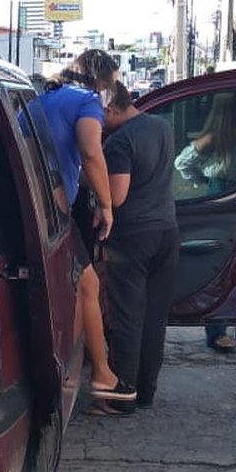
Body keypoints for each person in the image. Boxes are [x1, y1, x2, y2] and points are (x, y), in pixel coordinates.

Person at [39, 49, 135, 403]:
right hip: (53, 208)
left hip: (40, 203)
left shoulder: (46, 97)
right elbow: (91, 152)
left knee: (79, 287)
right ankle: (102, 375)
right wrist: (107, 205)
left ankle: (75, 366)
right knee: (88, 285)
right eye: (111, 85)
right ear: (102, 81)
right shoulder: (85, 102)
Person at [89, 82, 179, 416]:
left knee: (125, 317)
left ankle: (120, 396)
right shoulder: (162, 126)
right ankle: (145, 392)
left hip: (131, 238)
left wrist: (91, 182)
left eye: (99, 115)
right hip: (167, 231)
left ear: (111, 110)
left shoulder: (120, 142)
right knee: (154, 318)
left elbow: (117, 196)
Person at [173, 91, 236, 353]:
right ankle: (217, 328)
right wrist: (205, 183)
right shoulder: (216, 136)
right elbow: (182, 162)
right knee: (222, 262)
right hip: (223, 191)